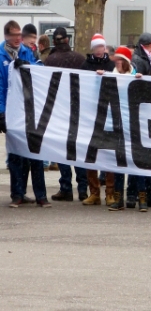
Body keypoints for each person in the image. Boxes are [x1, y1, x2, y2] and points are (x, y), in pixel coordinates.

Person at [0, 20, 51, 208]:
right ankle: (18, 194)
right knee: (15, 155)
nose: (17, 38)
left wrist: (28, 65)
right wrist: (2, 113)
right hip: (12, 111)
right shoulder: (0, 56)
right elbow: (0, 87)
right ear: (7, 36)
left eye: (19, 35)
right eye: (14, 35)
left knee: (35, 153)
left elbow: (39, 72)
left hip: (29, 110)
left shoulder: (26, 52)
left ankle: (41, 195)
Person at [95, 46, 146, 212]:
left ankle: (142, 198)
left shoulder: (135, 76)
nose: (116, 62)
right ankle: (118, 199)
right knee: (119, 163)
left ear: (126, 61)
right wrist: (99, 79)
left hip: (133, 125)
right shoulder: (112, 75)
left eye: (119, 60)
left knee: (136, 163)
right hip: (117, 124)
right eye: (115, 60)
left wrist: (141, 82)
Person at [44, 27, 89, 202]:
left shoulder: (50, 61)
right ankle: (83, 188)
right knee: (78, 150)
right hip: (78, 110)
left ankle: (66, 187)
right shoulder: (80, 59)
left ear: (54, 41)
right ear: (67, 40)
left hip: (59, 111)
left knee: (62, 150)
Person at [127, 32, 151, 209]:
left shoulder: (140, 59)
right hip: (142, 112)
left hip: (142, 111)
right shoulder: (141, 61)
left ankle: (142, 193)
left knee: (145, 155)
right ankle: (143, 193)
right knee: (144, 155)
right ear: (150, 45)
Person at [79, 33, 117, 206]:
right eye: (96, 47)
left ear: (104, 47)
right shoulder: (86, 65)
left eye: (101, 46)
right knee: (91, 154)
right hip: (91, 114)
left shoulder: (111, 65)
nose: (99, 50)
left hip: (108, 115)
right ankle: (94, 192)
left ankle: (110, 192)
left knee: (108, 153)